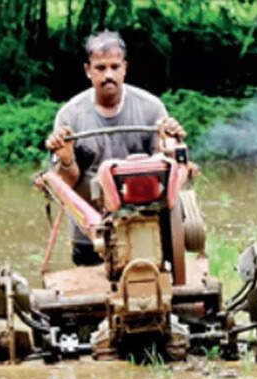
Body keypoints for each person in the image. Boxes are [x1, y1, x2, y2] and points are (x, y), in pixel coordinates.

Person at [43, 30, 185, 266]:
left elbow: (167, 174)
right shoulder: (70, 116)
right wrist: (66, 160)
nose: (108, 74)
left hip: (146, 225)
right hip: (91, 233)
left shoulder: (152, 108)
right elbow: (66, 185)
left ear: (125, 68)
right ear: (88, 70)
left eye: (114, 66)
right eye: (100, 68)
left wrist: (167, 147)